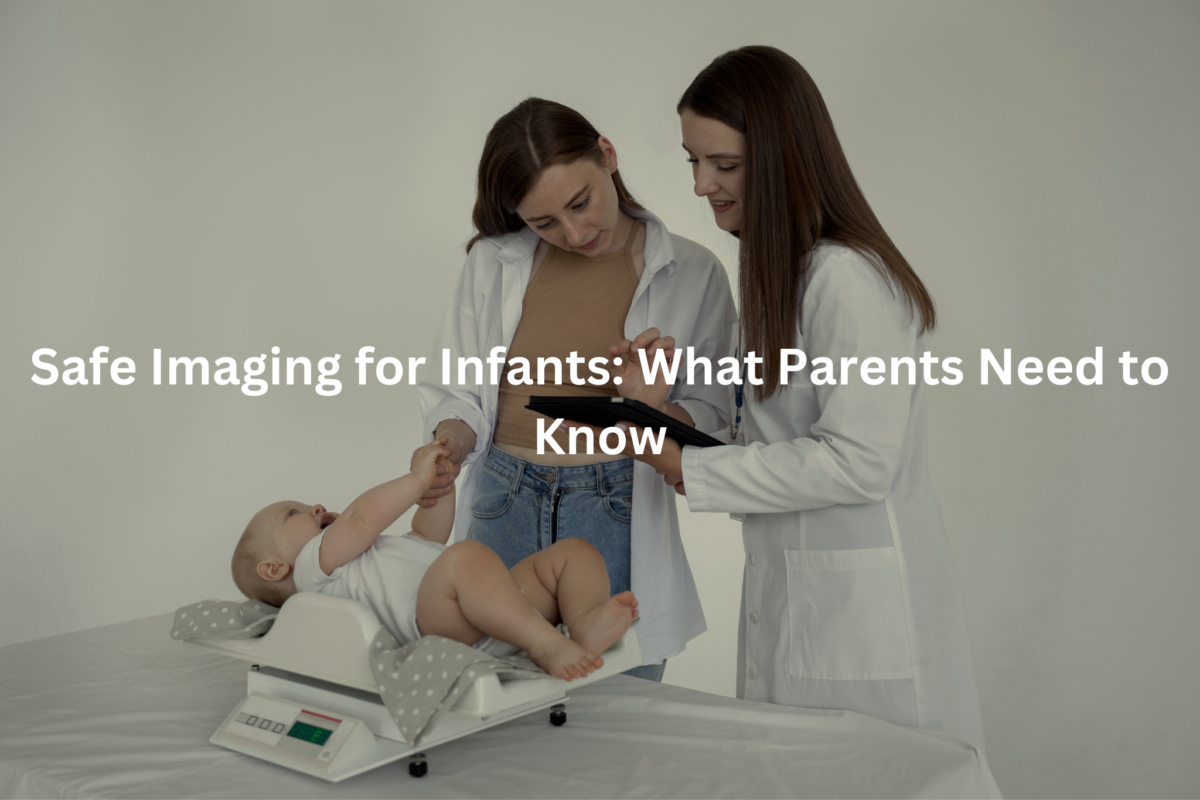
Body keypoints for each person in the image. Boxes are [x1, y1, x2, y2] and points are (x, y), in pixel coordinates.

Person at [605, 46, 987, 753]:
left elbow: (860, 462)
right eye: (693, 161)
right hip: (801, 603)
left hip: (857, 621)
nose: (700, 185)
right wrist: (656, 418)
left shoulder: (844, 278)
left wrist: (682, 466)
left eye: (723, 164)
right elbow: (771, 449)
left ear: (781, 157)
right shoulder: (779, 273)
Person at [416, 98, 737, 680]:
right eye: (544, 223)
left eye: (580, 202)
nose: (573, 232)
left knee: (614, 721)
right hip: (502, 501)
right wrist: (448, 447)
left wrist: (653, 406)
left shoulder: (694, 273)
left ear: (607, 156)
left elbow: (716, 420)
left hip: (613, 507)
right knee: (489, 710)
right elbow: (457, 394)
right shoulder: (494, 263)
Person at [230, 439, 639, 681]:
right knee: (464, 556)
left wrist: (438, 489)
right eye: (294, 513)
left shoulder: (368, 556)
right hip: (440, 624)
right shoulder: (312, 571)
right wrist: (415, 480)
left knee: (573, 552)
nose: (315, 505)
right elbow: (362, 517)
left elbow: (427, 535)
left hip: (495, 606)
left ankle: (583, 621)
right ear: (274, 567)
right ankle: (545, 643)